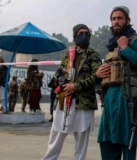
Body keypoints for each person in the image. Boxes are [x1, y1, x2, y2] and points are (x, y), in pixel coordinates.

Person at [96, 6, 137, 160]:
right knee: (107, 141)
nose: (116, 22)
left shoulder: (134, 40)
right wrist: (98, 74)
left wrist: (125, 48)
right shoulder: (111, 45)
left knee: (127, 140)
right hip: (110, 100)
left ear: (127, 21)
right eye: (113, 19)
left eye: (120, 18)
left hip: (127, 100)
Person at [42, 24, 102, 160]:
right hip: (64, 101)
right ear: (75, 36)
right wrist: (62, 80)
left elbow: (97, 77)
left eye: (87, 33)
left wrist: (75, 86)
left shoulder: (93, 55)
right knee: (56, 138)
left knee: (81, 142)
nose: (85, 35)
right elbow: (58, 72)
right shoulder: (68, 55)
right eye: (81, 33)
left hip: (83, 103)